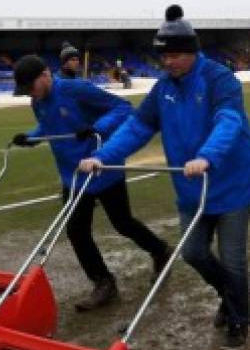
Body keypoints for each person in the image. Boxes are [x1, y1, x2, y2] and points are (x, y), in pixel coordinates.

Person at [79, 6, 250, 350]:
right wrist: (103, 157)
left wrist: (207, 156)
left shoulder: (219, 80)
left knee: (233, 257)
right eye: (164, 55)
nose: (168, 62)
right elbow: (137, 127)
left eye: (175, 54)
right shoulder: (162, 89)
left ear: (193, 52)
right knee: (193, 253)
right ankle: (230, 295)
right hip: (191, 190)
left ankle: (239, 320)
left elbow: (228, 120)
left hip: (232, 184)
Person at [11, 55, 172, 311]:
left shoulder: (76, 89)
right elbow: (48, 125)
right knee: (76, 231)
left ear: (45, 75)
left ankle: (160, 250)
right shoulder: (37, 100)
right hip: (72, 175)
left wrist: (97, 128)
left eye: (31, 87)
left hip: (101, 168)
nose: (30, 94)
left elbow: (123, 108)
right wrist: (31, 138)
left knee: (123, 223)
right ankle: (103, 282)